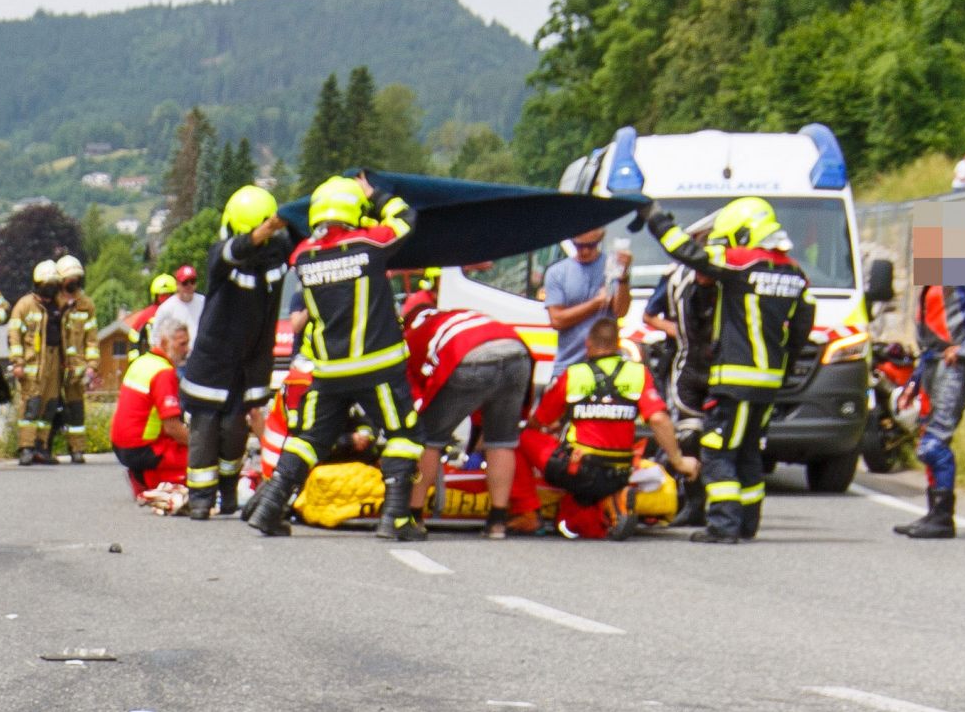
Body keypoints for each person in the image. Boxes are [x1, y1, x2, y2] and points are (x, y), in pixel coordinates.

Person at [251, 175, 420, 540]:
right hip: (378, 364)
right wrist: (376, 197)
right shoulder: (368, 243)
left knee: (309, 438)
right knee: (402, 434)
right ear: (353, 211)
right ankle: (396, 519)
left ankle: (269, 508)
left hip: (329, 370)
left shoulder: (303, 257)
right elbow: (406, 219)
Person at [663, 196, 812, 544]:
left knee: (716, 448)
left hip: (735, 377)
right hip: (769, 380)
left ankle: (724, 525)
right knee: (746, 451)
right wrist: (784, 365)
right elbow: (802, 327)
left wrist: (653, 216)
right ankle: (746, 523)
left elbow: (686, 252)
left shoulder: (741, 262)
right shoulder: (796, 272)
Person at [519, 310, 697, 538]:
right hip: (620, 471)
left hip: (579, 470)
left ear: (588, 343)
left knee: (522, 438)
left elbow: (538, 422)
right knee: (580, 524)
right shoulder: (638, 373)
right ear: (617, 344)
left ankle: (526, 512)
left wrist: (554, 427)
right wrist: (678, 461)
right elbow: (658, 418)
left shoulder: (574, 374)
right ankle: (615, 501)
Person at [174, 185, 289, 518]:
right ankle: (200, 499)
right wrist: (263, 231)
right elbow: (230, 251)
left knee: (234, 433)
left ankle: (227, 493)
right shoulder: (222, 256)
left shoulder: (276, 259)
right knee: (205, 431)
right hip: (213, 363)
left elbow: (296, 240)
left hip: (248, 365)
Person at [403, 283, 538, 536]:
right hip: (516, 352)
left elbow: (417, 397)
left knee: (428, 439)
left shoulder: (411, 337)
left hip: (467, 356)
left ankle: (413, 514)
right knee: (502, 441)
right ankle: (497, 521)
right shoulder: (454, 314)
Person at [894, 261, 965, 539]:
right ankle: (934, 513)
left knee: (934, 443)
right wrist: (915, 381)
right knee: (926, 439)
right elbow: (931, 336)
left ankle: (943, 517)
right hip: (933, 363)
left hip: (954, 367)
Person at [7, 255, 92, 463]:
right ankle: (26, 448)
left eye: (54, 284)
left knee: (49, 407)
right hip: (32, 365)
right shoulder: (25, 305)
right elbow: (14, 335)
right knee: (31, 406)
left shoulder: (58, 305)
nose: (51, 288)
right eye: (48, 284)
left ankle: (41, 447)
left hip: (55, 364)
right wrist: (17, 362)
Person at [108, 305, 185, 505]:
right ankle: (149, 480)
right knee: (197, 460)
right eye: (182, 344)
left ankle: (141, 474)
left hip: (119, 446)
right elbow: (172, 427)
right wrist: (201, 445)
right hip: (141, 449)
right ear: (166, 342)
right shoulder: (164, 372)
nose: (187, 350)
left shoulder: (142, 362)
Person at [538, 221, 627, 388]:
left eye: (591, 246)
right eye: (579, 246)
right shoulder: (558, 272)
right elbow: (557, 320)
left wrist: (623, 276)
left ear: (600, 239)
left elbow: (620, 311)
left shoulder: (612, 266)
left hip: (607, 366)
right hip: (568, 365)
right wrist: (596, 303)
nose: (585, 251)